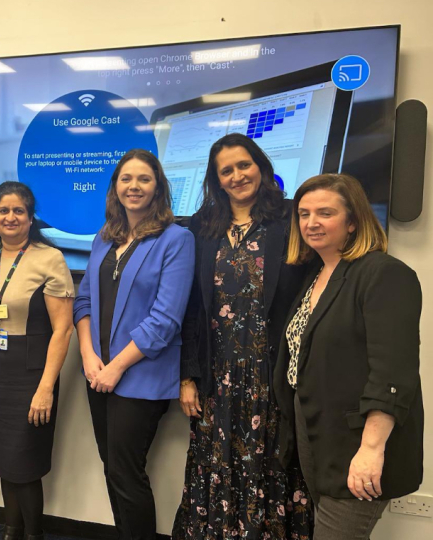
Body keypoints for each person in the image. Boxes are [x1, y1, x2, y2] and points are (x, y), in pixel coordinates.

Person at [173, 133, 312, 539]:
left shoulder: (291, 220)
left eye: (244, 165)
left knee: (272, 467)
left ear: (261, 167)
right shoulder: (202, 227)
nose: (237, 176)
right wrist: (188, 377)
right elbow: (192, 308)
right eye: (226, 170)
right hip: (218, 378)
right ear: (216, 180)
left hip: (271, 376)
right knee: (214, 468)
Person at [274, 173, 423, 540]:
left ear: (353, 220)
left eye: (325, 213)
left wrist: (371, 449)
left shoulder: (383, 273)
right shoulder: (317, 275)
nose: (311, 222)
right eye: (304, 213)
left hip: (359, 441)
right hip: (316, 434)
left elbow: (393, 373)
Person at [74, 149, 194, 540]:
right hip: (97, 373)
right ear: (115, 187)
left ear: (157, 186)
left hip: (139, 377)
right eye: (126, 179)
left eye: (144, 178)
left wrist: (116, 366)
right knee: (112, 468)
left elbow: (165, 319)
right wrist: (90, 356)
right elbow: (84, 302)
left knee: (127, 474)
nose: (134, 186)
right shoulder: (103, 237)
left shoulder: (177, 239)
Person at [0, 182, 74, 540]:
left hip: (31, 374)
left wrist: (46, 388)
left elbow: (63, 330)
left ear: (31, 218)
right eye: (3, 211)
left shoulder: (50, 259)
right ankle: (11, 531)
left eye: (19, 211)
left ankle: (34, 534)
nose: (11, 217)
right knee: (2, 457)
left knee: (25, 463)